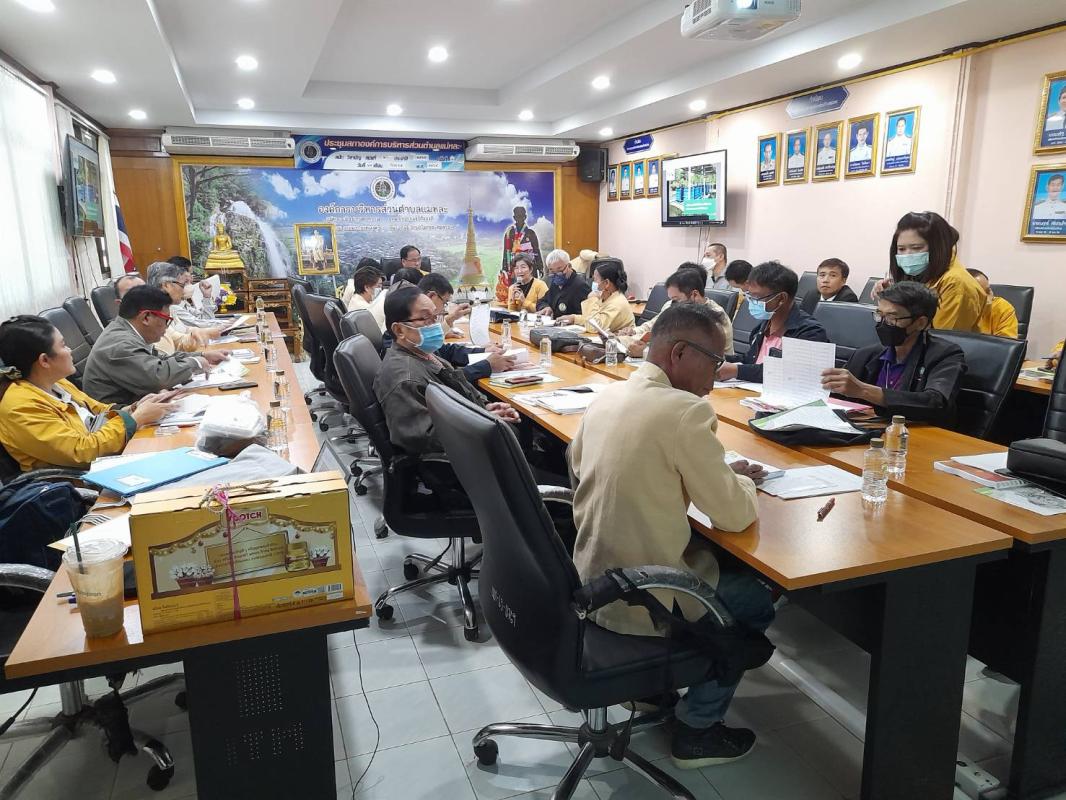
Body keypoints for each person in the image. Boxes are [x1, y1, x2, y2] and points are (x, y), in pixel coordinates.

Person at [569, 301, 772, 768]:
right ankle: (698, 728)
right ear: (679, 353)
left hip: (592, 578)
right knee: (755, 601)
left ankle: (649, 689)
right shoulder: (685, 411)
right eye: (716, 362)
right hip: (647, 591)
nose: (716, 378)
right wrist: (738, 481)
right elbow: (735, 516)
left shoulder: (609, 395)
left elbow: (579, 468)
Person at [374, 287, 520, 506]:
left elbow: (453, 395)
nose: (435, 324)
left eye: (436, 316)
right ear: (399, 330)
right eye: (426, 318)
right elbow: (424, 439)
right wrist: (484, 423)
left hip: (479, 458)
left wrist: (484, 409)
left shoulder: (423, 355)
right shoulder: (404, 377)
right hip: (466, 473)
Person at [0, 315, 173, 471]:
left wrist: (136, 408)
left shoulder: (56, 382)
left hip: (110, 458)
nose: (70, 350)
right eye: (63, 345)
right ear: (44, 360)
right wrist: (135, 419)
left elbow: (99, 410)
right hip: (81, 482)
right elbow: (82, 452)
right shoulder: (20, 406)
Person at [821, 282, 965, 425]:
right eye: (879, 315)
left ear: (921, 323)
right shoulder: (866, 354)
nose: (883, 323)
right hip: (867, 428)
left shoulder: (945, 355)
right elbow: (836, 396)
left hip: (915, 432)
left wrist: (863, 390)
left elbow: (935, 402)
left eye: (892, 317)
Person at [83, 286, 230, 406]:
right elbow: (158, 377)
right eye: (166, 320)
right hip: (118, 420)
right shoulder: (120, 344)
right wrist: (195, 363)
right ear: (146, 317)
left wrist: (203, 356)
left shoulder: (126, 331)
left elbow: (160, 360)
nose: (167, 327)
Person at [872, 211, 985, 332]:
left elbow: (940, 338)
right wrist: (891, 298)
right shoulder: (921, 275)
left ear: (938, 247)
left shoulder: (957, 284)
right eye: (901, 249)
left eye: (917, 248)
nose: (907, 255)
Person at [717, 261, 829, 383]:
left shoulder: (810, 332)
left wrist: (736, 371)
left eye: (757, 297)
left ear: (781, 298)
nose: (752, 302)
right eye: (750, 296)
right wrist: (720, 359)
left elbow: (791, 372)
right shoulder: (764, 326)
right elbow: (752, 360)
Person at [620, 266, 734, 358]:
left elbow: (694, 356)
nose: (673, 304)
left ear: (694, 295)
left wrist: (646, 352)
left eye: (676, 299)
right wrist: (633, 333)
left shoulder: (715, 317)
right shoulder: (673, 306)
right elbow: (653, 326)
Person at [147, 263, 223, 353]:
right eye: (183, 285)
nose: (184, 290)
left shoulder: (167, 309)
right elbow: (164, 358)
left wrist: (203, 354)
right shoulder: (153, 315)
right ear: (166, 285)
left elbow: (181, 339)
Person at [557, 258, 635, 334]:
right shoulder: (606, 296)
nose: (593, 283)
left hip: (621, 340)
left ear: (606, 283)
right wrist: (574, 318)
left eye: (595, 280)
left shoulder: (617, 303)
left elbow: (593, 327)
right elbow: (591, 318)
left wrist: (593, 299)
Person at [158, 258, 218, 327]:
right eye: (185, 282)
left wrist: (206, 296)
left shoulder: (183, 302)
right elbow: (205, 325)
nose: (191, 278)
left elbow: (206, 320)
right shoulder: (172, 307)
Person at [966, 268, 1019, 339]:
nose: (988, 299)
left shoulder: (1002, 308)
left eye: (988, 291)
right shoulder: (956, 307)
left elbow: (1005, 343)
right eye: (979, 294)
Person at [537, 248, 589, 319]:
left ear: (569, 266)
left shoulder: (581, 286)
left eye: (560, 270)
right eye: (552, 271)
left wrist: (572, 318)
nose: (557, 275)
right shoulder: (554, 283)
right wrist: (545, 307)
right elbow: (542, 301)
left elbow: (586, 316)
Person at [502, 205, 543, 275]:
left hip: (530, 267)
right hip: (515, 268)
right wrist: (504, 269)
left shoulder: (531, 233)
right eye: (517, 216)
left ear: (525, 217)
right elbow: (506, 252)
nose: (520, 218)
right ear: (514, 218)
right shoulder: (509, 233)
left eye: (522, 216)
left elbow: (536, 250)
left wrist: (540, 267)